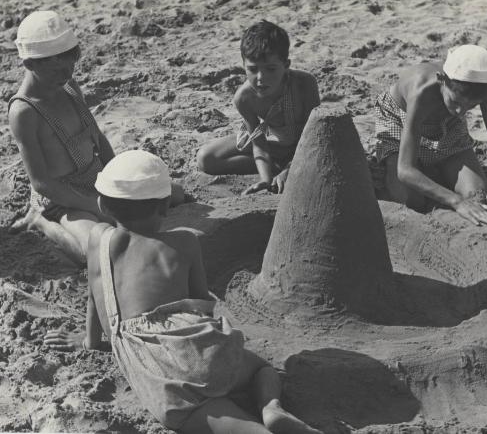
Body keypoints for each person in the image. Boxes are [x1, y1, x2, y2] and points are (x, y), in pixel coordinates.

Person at [44, 150, 322, 434]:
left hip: (154, 368)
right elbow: (200, 304)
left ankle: (257, 426)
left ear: (102, 204)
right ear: (165, 207)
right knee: (262, 370)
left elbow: (95, 292)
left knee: (228, 424)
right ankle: (270, 408)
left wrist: (90, 340)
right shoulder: (184, 242)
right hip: (197, 351)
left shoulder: (96, 240)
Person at [8, 11, 183, 264]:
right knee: (94, 251)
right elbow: (42, 182)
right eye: (57, 70)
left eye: (70, 66)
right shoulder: (24, 111)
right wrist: (92, 204)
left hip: (97, 177)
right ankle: (39, 221)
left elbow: (97, 138)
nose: (66, 74)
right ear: (30, 64)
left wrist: (116, 182)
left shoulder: (68, 86)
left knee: (171, 194)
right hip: (62, 198)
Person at [374, 44, 487, 226]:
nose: (461, 112)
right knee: (411, 201)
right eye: (456, 101)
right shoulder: (421, 91)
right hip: (400, 118)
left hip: (446, 123)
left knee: (480, 199)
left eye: (471, 106)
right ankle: (428, 171)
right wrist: (456, 201)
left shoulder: (479, 90)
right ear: (441, 80)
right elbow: (405, 170)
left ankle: (436, 169)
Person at [196, 20, 320, 195]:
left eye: (271, 69)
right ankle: (275, 168)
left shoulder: (304, 84)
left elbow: (315, 136)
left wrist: (292, 170)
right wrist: (265, 178)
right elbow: (259, 143)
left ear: (286, 65)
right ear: (244, 67)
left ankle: (286, 167)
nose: (261, 77)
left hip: (306, 145)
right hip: (274, 144)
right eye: (253, 69)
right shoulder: (244, 98)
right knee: (205, 159)